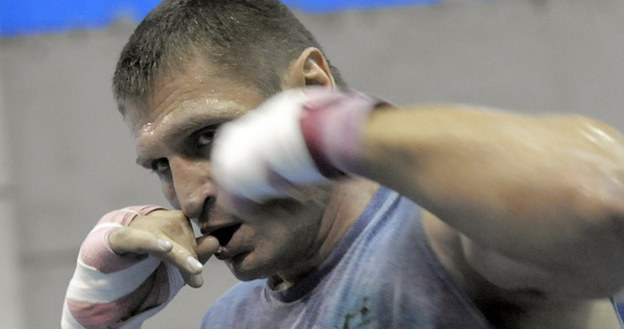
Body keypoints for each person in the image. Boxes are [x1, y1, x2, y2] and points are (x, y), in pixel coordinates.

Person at [62, 0, 624, 328]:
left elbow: (608, 205)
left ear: (311, 86)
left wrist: (343, 128)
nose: (187, 199)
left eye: (208, 135)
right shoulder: (231, 321)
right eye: (160, 164)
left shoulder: (441, 237)